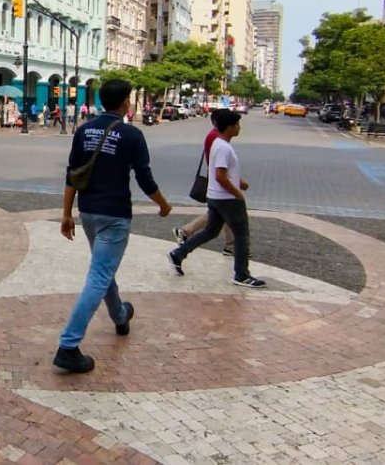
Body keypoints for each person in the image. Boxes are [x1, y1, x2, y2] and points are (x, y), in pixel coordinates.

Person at [54, 78, 172, 374]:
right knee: (99, 275)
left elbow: (72, 174)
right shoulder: (132, 135)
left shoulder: (83, 130)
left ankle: (120, 315)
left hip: (89, 212)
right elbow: (144, 179)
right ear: (124, 103)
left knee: (102, 269)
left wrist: (67, 213)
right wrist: (163, 204)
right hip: (115, 215)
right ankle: (68, 346)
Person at [167, 110, 265, 288]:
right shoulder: (223, 147)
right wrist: (236, 193)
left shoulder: (219, 144)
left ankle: (179, 253)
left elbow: (220, 172)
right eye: (237, 125)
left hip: (216, 196)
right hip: (226, 199)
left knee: (211, 231)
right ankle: (242, 274)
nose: (239, 128)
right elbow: (220, 175)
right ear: (229, 127)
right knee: (241, 235)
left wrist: (238, 182)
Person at [173, 111, 236, 255]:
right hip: (216, 175)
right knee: (222, 212)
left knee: (220, 212)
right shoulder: (215, 136)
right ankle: (231, 245)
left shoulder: (214, 135)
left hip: (216, 174)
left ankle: (230, 244)